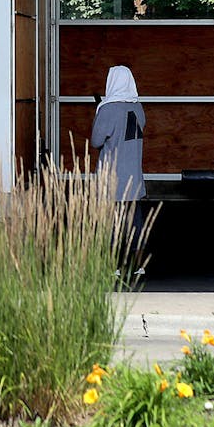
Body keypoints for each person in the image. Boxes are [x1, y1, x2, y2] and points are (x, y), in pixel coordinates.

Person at [91, 65, 147, 277]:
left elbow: (97, 141)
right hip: (134, 175)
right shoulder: (138, 108)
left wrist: (98, 113)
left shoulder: (108, 109)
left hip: (112, 176)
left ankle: (113, 265)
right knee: (135, 222)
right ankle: (138, 265)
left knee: (112, 222)